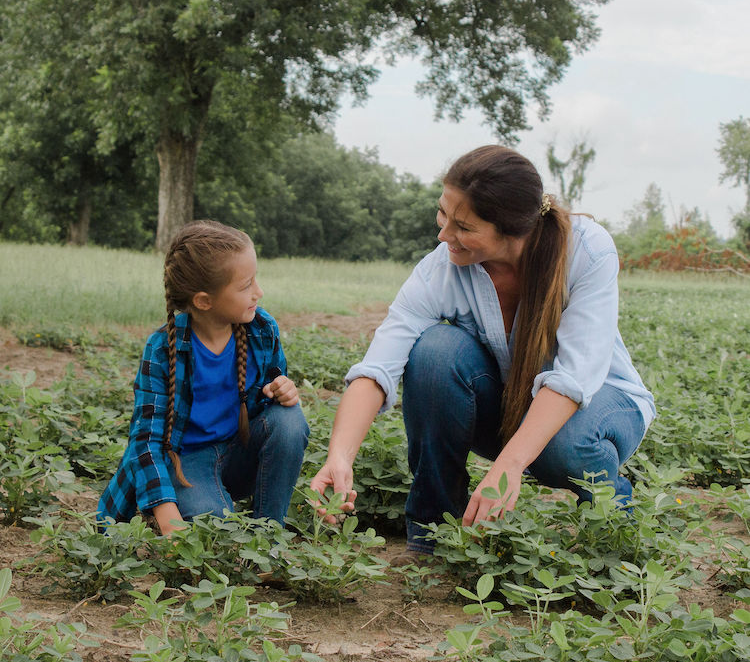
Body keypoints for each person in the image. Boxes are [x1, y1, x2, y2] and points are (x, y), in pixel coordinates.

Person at [310, 145, 655, 559]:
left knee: (560, 444)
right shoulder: (442, 268)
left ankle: (614, 525)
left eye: (463, 226)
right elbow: (378, 366)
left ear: (513, 230)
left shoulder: (586, 250)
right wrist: (339, 457)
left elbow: (574, 378)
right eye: (443, 214)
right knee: (436, 351)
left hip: (602, 404)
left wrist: (507, 468)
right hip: (514, 406)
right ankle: (435, 534)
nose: (443, 235)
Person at [98, 220, 307, 535]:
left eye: (256, 280)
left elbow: (272, 397)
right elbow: (146, 443)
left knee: (290, 420)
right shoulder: (163, 350)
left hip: (239, 451)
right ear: (204, 301)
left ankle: (269, 540)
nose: (259, 292)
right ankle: (191, 509)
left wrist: (283, 390)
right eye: (246, 285)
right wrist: (168, 516)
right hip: (187, 465)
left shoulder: (262, 330)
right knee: (214, 534)